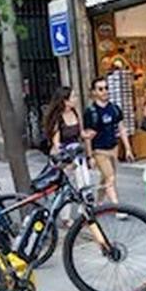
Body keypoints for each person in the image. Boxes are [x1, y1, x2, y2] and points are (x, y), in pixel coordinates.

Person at [83, 77, 135, 209]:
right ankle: (116, 207)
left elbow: (121, 129)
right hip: (99, 150)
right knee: (110, 177)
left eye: (106, 88)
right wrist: (90, 156)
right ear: (94, 92)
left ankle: (98, 203)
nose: (105, 91)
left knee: (105, 177)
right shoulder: (91, 112)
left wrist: (128, 148)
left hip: (113, 148)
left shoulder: (115, 108)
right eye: (100, 89)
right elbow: (88, 136)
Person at [44, 86, 91, 227]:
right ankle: (65, 217)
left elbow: (81, 133)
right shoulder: (58, 118)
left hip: (77, 154)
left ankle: (85, 212)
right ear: (65, 101)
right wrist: (63, 158)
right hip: (65, 157)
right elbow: (56, 142)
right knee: (66, 186)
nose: (76, 99)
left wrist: (88, 136)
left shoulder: (75, 113)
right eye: (73, 97)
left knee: (85, 183)